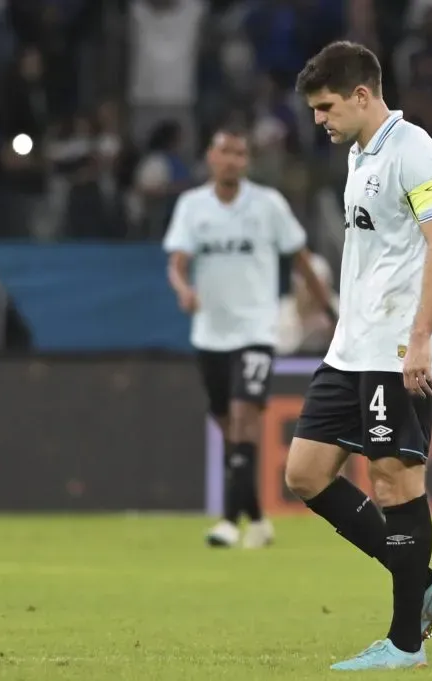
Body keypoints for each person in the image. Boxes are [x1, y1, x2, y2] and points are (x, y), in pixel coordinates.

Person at [285, 41, 432, 671]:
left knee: (394, 482)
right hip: (350, 347)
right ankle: (424, 581)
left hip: (394, 348)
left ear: (363, 94)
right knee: (304, 474)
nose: (319, 120)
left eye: (327, 107)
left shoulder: (414, 152)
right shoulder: (361, 153)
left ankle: (405, 645)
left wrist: (419, 340)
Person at [163, 127, 335, 550]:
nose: (232, 160)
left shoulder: (268, 205)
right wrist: (183, 290)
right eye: (225, 152)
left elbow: (302, 260)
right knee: (230, 428)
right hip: (210, 333)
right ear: (211, 157)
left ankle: (227, 521)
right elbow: (177, 262)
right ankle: (257, 520)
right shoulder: (192, 206)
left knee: (243, 417)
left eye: (240, 154)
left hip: (256, 331)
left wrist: (331, 310)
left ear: (247, 162)